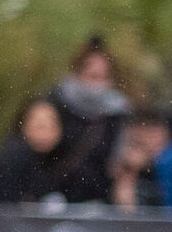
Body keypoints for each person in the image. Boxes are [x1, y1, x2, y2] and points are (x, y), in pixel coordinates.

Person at [0, 96, 79, 207]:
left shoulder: (72, 160)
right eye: (39, 126)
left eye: (51, 125)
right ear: (24, 126)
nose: (45, 132)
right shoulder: (10, 161)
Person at [52, 34, 130, 167]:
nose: (96, 85)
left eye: (102, 76)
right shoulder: (56, 102)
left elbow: (117, 160)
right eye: (92, 76)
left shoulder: (118, 113)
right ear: (78, 71)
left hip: (99, 186)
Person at [107, 109, 169, 209]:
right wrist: (129, 173)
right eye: (139, 144)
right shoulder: (123, 168)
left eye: (156, 144)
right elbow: (125, 211)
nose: (150, 149)